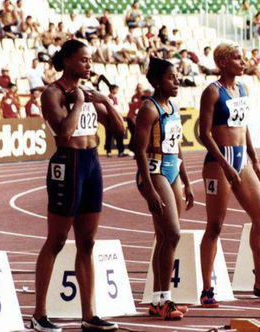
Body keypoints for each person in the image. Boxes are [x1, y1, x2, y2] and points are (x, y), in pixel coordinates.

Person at [31, 39, 125, 332]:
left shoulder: (89, 92)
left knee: (87, 242)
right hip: (67, 163)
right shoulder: (52, 93)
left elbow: (120, 131)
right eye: (84, 60)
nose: (89, 64)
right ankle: (39, 314)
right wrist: (82, 102)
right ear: (69, 61)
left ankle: (89, 314)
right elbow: (63, 135)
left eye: (90, 60)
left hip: (91, 163)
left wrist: (105, 101)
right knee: (57, 240)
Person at [198, 43, 260, 307]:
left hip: (241, 159)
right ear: (225, 62)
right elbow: (204, 134)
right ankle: (207, 289)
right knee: (215, 225)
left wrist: (254, 158)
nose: (243, 61)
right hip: (219, 162)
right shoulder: (212, 92)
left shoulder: (242, 88)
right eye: (238, 58)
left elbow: (243, 125)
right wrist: (226, 166)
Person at [134, 57, 194, 320]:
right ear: (158, 81)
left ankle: (159, 300)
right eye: (172, 77)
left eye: (177, 76)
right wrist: (150, 190)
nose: (177, 81)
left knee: (165, 238)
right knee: (173, 234)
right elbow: (138, 151)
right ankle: (163, 298)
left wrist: (187, 181)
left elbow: (177, 144)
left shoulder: (173, 106)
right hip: (155, 171)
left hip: (172, 170)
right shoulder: (149, 109)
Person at [105, 85, 127, 157]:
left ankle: (120, 151)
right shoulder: (108, 98)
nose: (117, 91)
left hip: (116, 117)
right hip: (110, 118)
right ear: (112, 90)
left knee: (119, 135)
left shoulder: (116, 98)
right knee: (109, 135)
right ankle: (109, 151)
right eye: (116, 89)